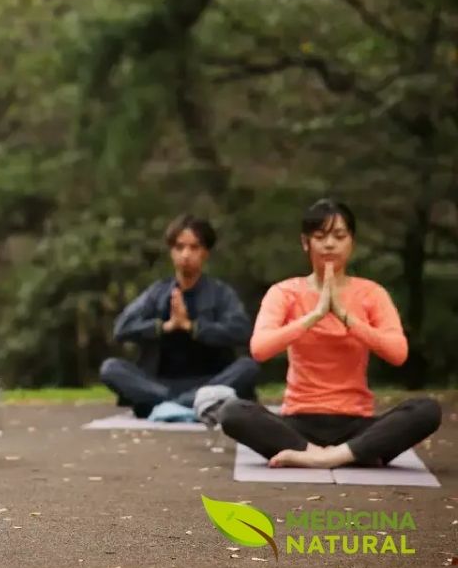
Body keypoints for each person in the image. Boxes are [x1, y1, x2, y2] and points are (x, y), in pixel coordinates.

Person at [219, 199, 441, 468]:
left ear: (352, 242)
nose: (329, 244)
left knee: (426, 410)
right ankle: (322, 453)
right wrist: (313, 316)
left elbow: (398, 353)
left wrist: (346, 317)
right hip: (298, 423)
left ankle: (329, 457)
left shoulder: (372, 293)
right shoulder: (285, 292)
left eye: (339, 236)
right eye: (320, 236)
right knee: (232, 412)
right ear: (305, 242)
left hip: (356, 425)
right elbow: (260, 348)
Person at [100, 214, 259, 419]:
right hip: (159, 385)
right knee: (110, 368)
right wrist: (165, 326)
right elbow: (122, 328)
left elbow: (242, 331)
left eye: (194, 247)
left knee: (248, 367)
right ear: (171, 252)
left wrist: (191, 327)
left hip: (210, 383)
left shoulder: (220, 293)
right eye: (179, 247)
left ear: (205, 253)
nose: (186, 254)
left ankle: (175, 405)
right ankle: (183, 404)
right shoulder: (157, 292)